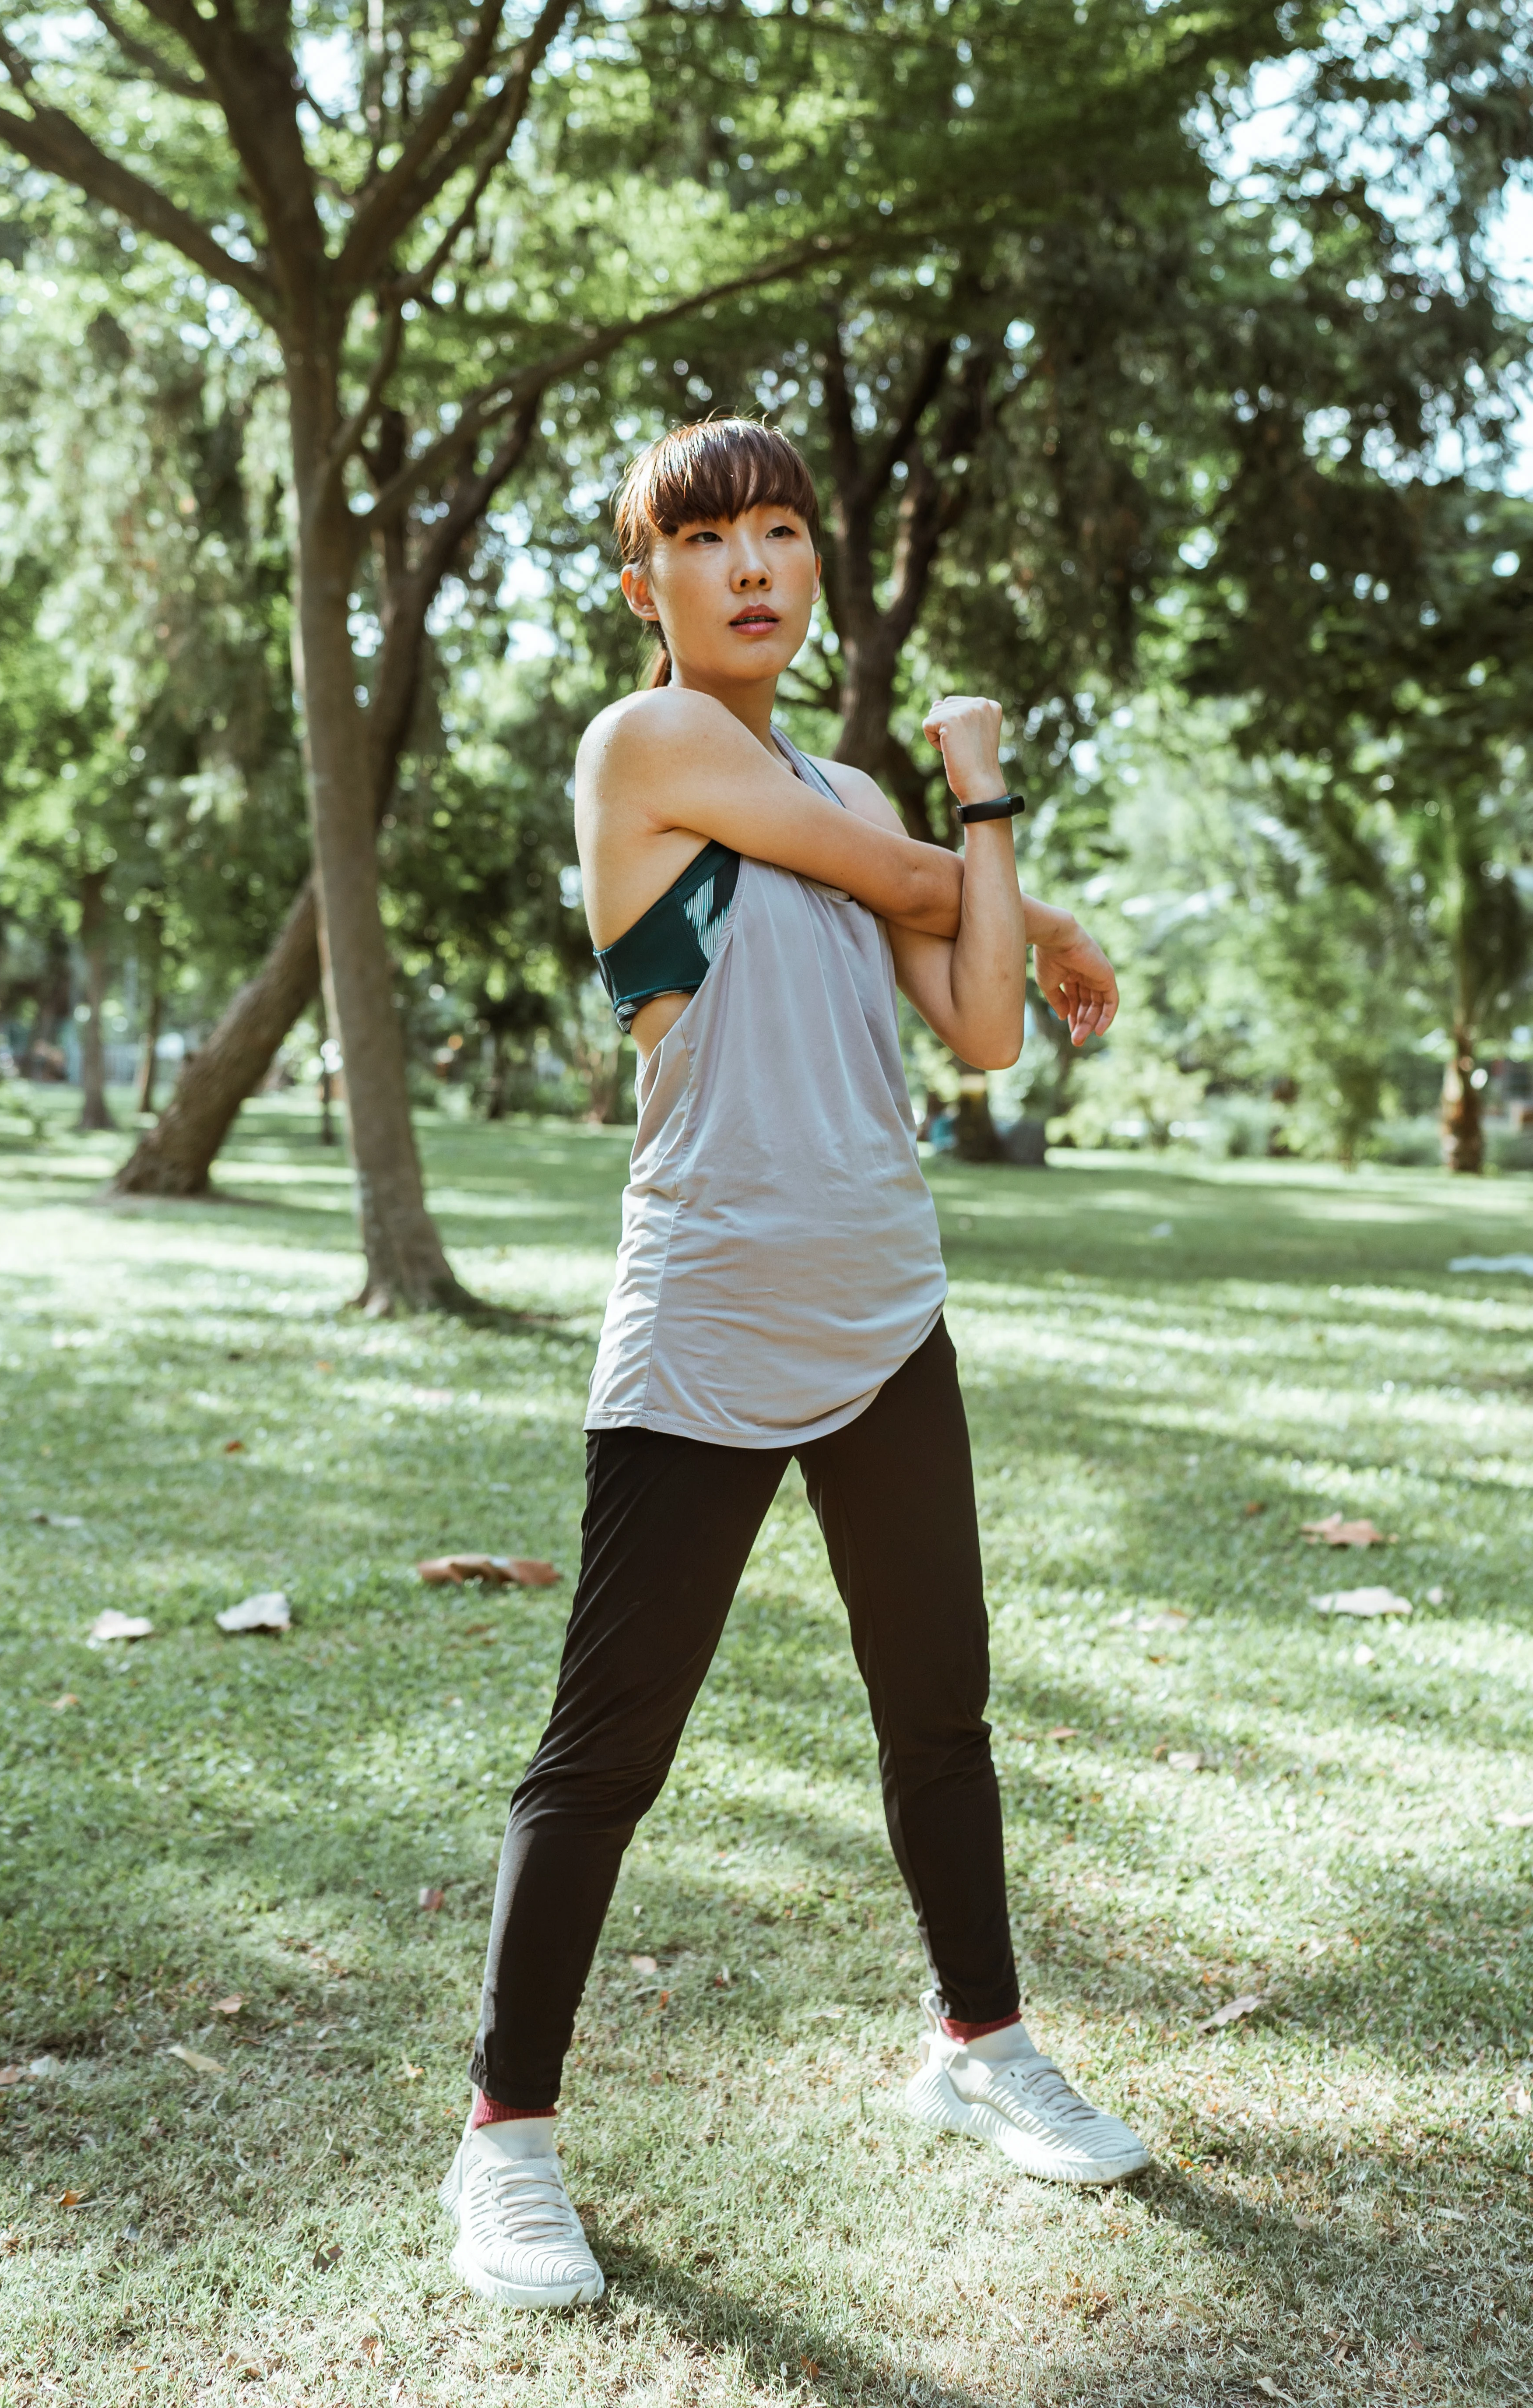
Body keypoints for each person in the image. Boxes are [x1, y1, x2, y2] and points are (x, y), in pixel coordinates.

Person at [438, 419, 1147, 2309]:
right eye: (709, 540)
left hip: (886, 1308)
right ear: (643, 587)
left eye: (780, 532)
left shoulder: (849, 792)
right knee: (605, 1754)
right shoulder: (647, 747)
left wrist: (983, 807)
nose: (754, 565)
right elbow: (914, 892)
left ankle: (979, 2043)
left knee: (941, 1708)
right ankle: (504, 2139)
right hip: (708, 1309)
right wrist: (993, 874)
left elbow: (985, 1021)